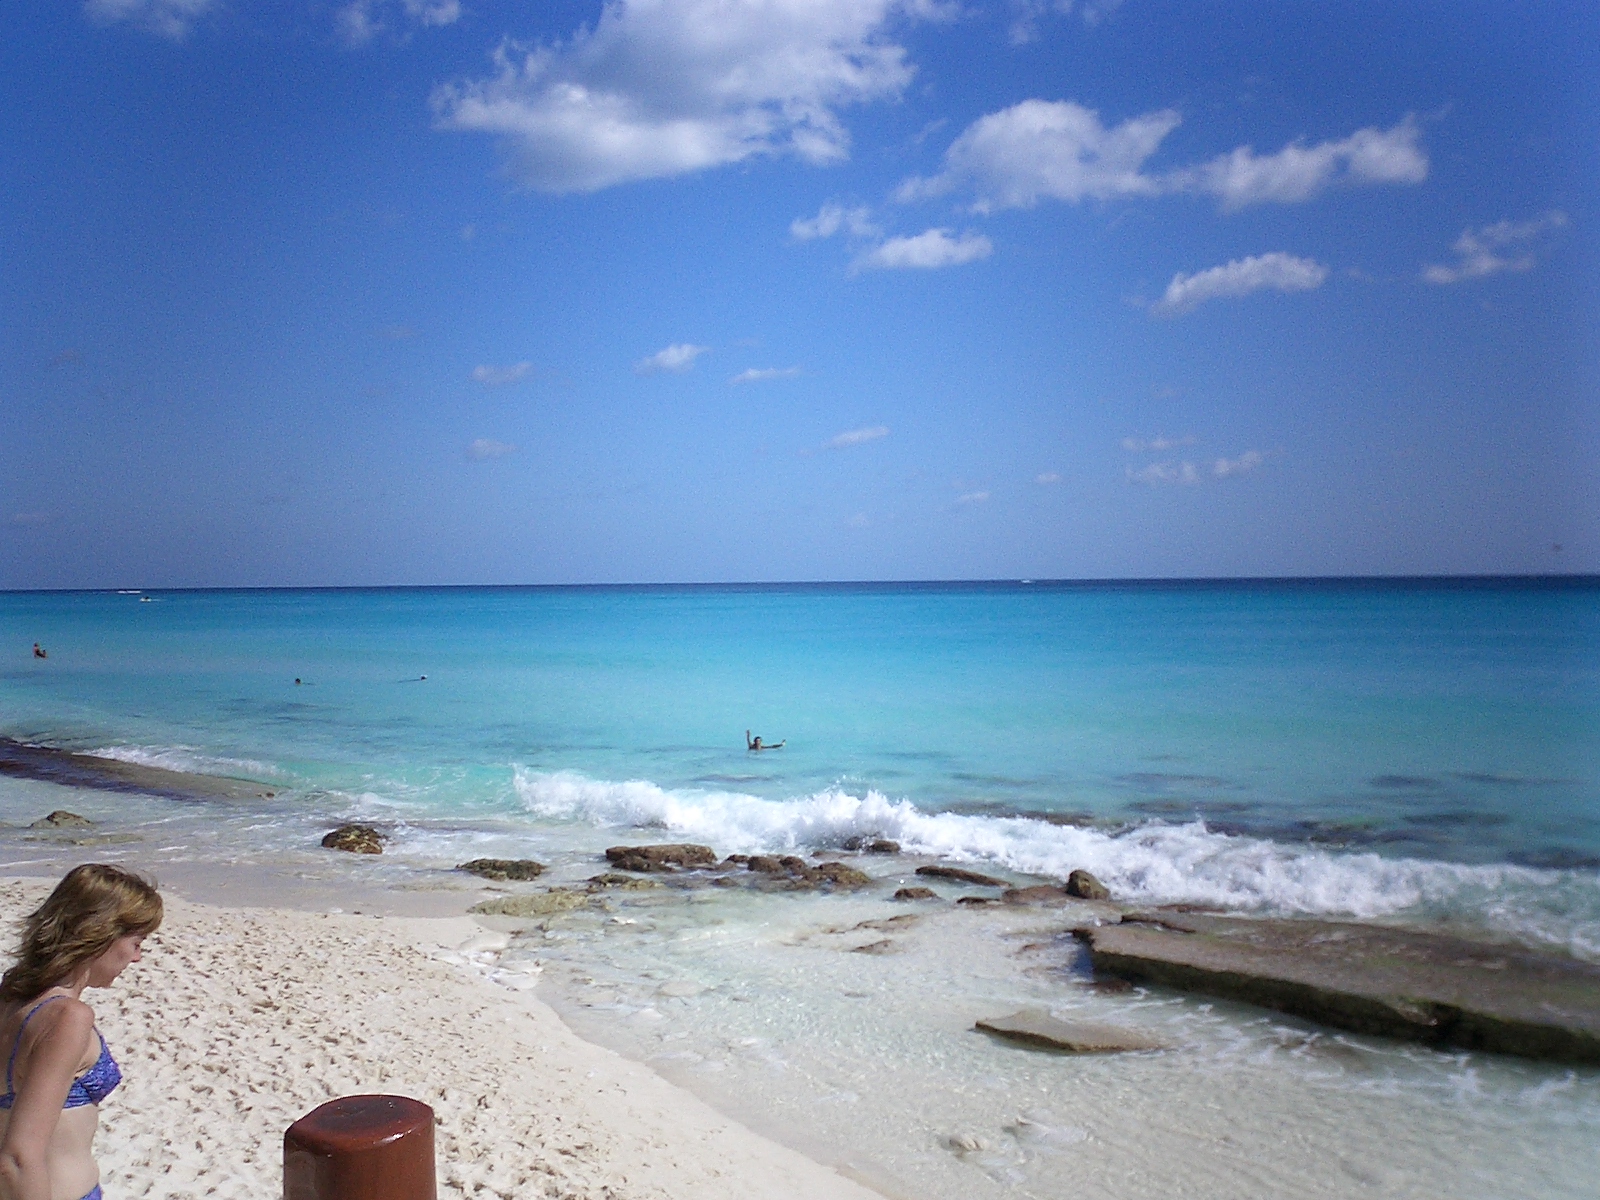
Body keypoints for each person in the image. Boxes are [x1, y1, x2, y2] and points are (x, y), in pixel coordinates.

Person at [0, 865, 163, 1200]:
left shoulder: (11, 996)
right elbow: (17, 1159)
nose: (137, 958)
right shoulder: (66, 1018)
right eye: (135, 943)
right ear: (99, 934)